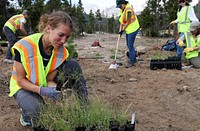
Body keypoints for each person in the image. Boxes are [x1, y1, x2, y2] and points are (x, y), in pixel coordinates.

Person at [9, 11, 89, 129]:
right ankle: (26, 115)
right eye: (61, 35)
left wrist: (52, 90)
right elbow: (20, 80)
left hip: (41, 83)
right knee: (38, 111)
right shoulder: (24, 46)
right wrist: (43, 91)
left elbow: (49, 78)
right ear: (48, 29)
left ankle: (85, 108)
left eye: (67, 37)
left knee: (73, 65)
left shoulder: (60, 51)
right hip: (23, 86)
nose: (63, 41)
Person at [116, 0, 140, 68]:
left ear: (123, 3)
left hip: (134, 28)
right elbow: (122, 21)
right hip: (129, 29)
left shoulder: (129, 10)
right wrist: (120, 30)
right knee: (128, 44)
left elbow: (128, 21)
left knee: (130, 45)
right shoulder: (122, 9)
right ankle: (133, 57)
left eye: (120, 6)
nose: (119, 8)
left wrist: (122, 30)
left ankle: (132, 61)